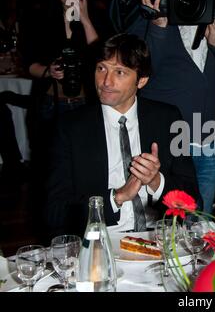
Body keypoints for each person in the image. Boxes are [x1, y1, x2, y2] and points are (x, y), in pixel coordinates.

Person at [45, 33, 200, 238]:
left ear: (142, 80)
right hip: (102, 239)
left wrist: (156, 182)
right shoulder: (70, 127)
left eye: (119, 72)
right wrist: (116, 198)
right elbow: (54, 213)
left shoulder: (168, 119)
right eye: (101, 68)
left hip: (157, 238)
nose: (106, 81)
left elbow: (193, 200)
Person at [127, 0, 215, 214]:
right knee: (166, 222)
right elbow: (136, 74)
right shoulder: (149, 14)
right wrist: (158, 26)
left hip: (208, 142)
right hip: (166, 144)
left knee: (202, 225)